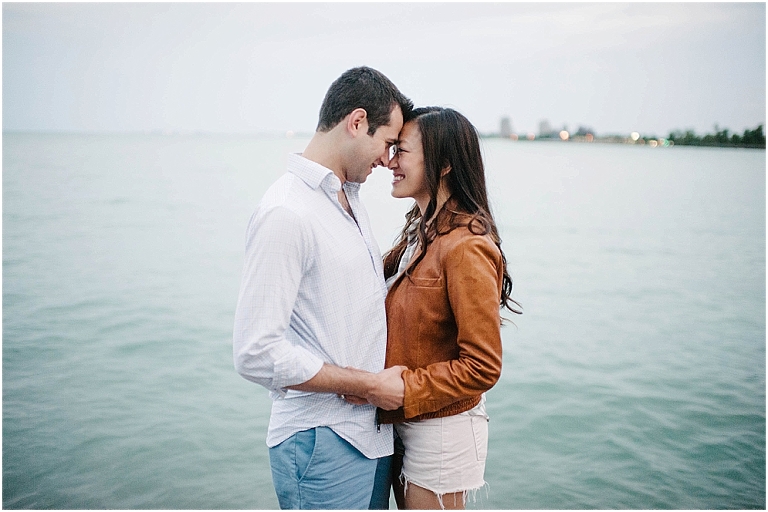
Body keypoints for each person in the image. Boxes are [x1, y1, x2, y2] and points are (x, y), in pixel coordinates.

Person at [233, 66, 413, 510]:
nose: (388, 160)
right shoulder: (286, 212)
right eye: (386, 143)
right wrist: (367, 385)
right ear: (356, 123)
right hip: (321, 442)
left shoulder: (348, 198)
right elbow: (255, 351)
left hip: (368, 440)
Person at [377, 107, 522, 509]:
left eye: (401, 151)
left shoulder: (466, 246)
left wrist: (405, 388)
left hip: (442, 430)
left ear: (442, 165)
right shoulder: (421, 232)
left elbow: (483, 366)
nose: (390, 162)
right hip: (405, 421)